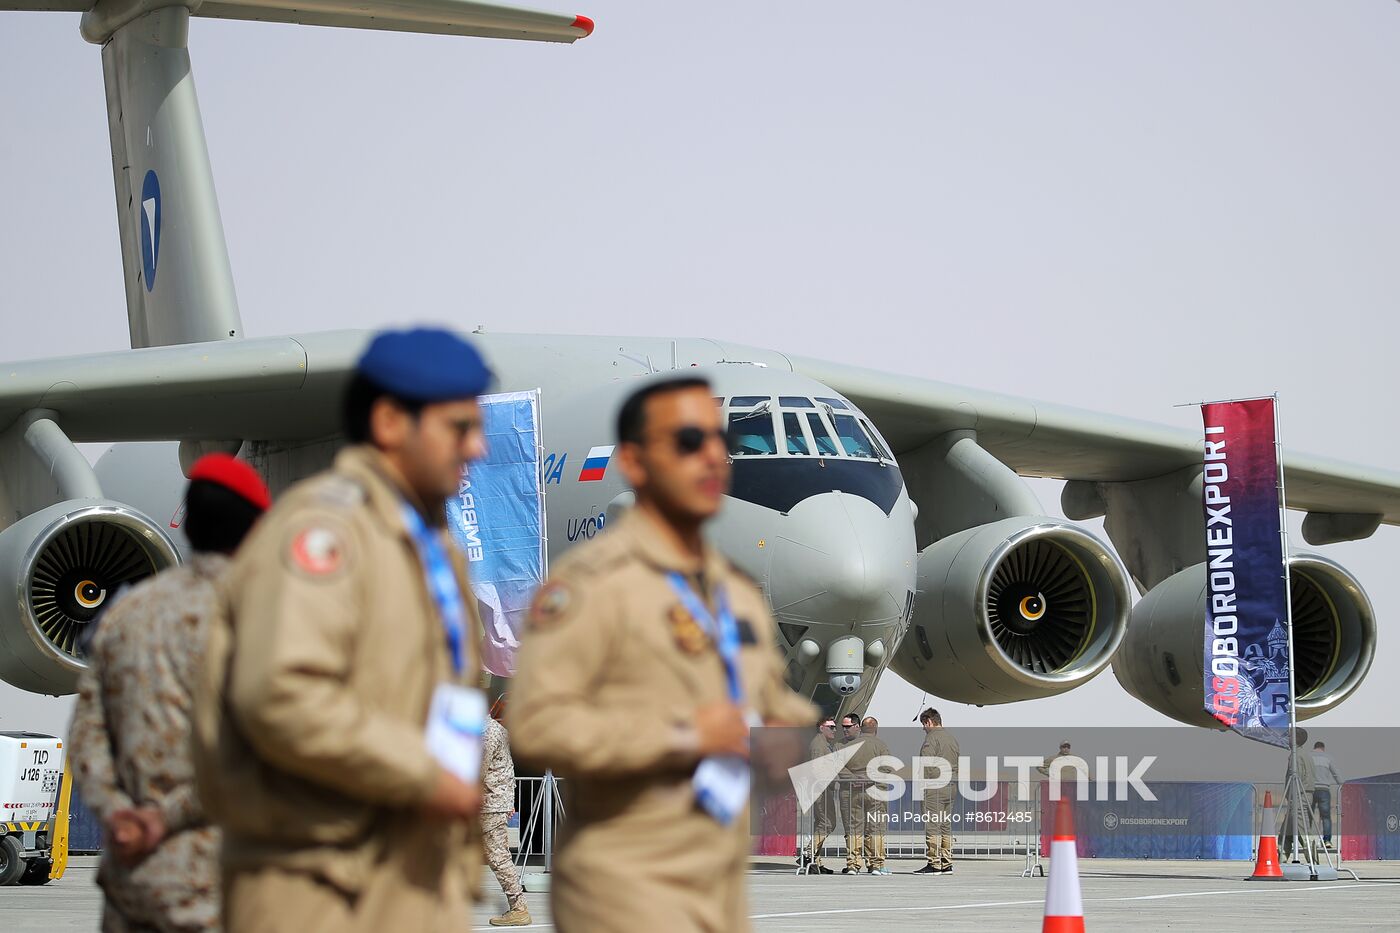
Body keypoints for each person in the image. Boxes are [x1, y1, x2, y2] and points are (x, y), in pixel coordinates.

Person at [192, 328, 492, 933]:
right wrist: (422, 774)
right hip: (321, 889)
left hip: (410, 875)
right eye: (459, 428)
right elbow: (282, 694)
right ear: (389, 422)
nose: (478, 448)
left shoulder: (431, 548)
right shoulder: (325, 533)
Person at [508, 375, 817, 932]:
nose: (712, 458)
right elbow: (537, 725)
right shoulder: (588, 586)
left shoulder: (736, 595)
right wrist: (682, 736)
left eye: (722, 442)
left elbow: (767, 701)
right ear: (633, 461)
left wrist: (784, 728)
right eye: (688, 442)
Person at [69, 453, 270, 932]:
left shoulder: (123, 614)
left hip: (134, 879)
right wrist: (165, 817)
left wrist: (121, 817)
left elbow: (85, 740)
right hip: (220, 881)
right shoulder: (263, 618)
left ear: (190, 526)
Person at [483, 700, 529, 926]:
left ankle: (519, 908)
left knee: (498, 857)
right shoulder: (496, 730)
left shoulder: (486, 733)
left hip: (489, 803)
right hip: (494, 801)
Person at [914, 708, 959, 875]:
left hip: (934, 787)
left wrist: (922, 785)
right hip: (951, 786)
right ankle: (947, 863)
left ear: (929, 722)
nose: (923, 728)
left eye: (923, 724)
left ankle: (934, 863)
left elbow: (926, 764)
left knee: (932, 825)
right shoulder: (952, 738)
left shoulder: (931, 739)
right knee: (945, 825)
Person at [847, 717, 892, 875]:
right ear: (876, 729)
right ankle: (876, 864)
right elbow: (887, 767)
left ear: (861, 728)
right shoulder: (881, 745)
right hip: (876, 792)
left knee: (855, 828)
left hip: (855, 792)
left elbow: (839, 767)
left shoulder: (850, 745)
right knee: (876, 828)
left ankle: (853, 864)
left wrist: (854, 778)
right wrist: (869, 778)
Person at [801, 717, 838, 873]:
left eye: (835, 727)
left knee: (822, 823)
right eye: (831, 727)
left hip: (823, 789)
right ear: (822, 728)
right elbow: (816, 769)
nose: (834, 730)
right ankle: (808, 855)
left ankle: (815, 861)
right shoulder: (818, 745)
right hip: (820, 789)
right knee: (828, 823)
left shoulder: (824, 744)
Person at [1280, 728, 1318, 861]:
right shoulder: (1305, 755)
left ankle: (1313, 860)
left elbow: (1295, 777)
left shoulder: (1296, 756)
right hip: (1302, 794)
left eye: (1289, 736)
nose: (1287, 739)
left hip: (1298, 795)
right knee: (1286, 830)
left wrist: (1291, 795)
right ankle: (1282, 856)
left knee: (1303, 829)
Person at [835, 713, 866, 875]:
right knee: (851, 828)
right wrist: (853, 778)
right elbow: (837, 766)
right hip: (847, 791)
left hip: (867, 791)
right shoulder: (839, 745)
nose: (845, 730)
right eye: (843, 727)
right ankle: (853, 863)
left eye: (848, 726)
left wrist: (865, 778)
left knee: (870, 828)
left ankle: (874, 863)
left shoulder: (868, 743)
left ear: (857, 726)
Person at [1311, 740, 1343, 846]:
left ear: (1314, 747)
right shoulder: (1327, 757)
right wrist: (1342, 784)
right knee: (1326, 817)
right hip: (1324, 790)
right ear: (1323, 748)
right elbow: (1335, 773)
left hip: (1310, 790)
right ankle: (1327, 840)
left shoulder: (1309, 756)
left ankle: (1307, 839)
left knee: (1308, 815)